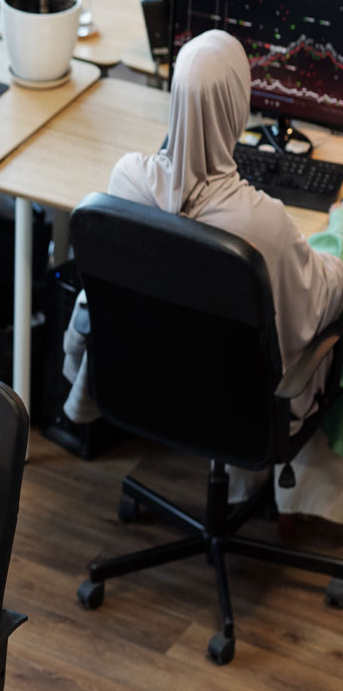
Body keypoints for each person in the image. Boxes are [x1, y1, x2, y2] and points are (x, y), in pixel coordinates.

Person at [62, 29, 343, 521]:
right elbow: (319, 303)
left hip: (146, 386)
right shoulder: (261, 223)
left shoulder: (127, 180)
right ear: (238, 105)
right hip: (244, 409)